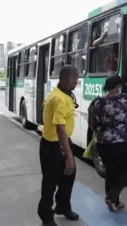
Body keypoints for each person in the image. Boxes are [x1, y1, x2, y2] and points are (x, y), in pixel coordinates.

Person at [88, 74, 127, 212]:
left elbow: (91, 123)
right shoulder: (124, 99)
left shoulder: (96, 102)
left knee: (111, 172)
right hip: (121, 142)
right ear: (116, 87)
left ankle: (114, 202)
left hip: (103, 143)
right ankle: (112, 196)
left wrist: (101, 131)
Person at [37, 65, 80, 226]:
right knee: (50, 183)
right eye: (76, 80)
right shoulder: (59, 99)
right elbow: (60, 129)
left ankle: (63, 207)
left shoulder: (64, 94)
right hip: (53, 146)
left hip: (63, 142)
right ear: (69, 79)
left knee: (68, 177)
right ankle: (46, 216)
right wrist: (69, 156)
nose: (76, 83)